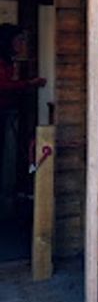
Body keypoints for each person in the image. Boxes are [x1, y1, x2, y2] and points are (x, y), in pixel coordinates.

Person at [0, 24, 45, 217]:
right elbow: (3, 85)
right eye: (19, 39)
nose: (22, 44)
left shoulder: (9, 60)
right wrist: (29, 83)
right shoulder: (2, 61)